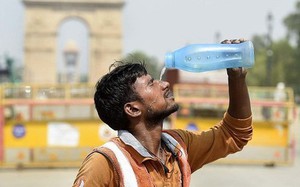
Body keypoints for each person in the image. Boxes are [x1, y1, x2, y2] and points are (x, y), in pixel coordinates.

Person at [72, 39, 253, 187]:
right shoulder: (105, 164)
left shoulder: (179, 147)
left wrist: (236, 78)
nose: (165, 84)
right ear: (133, 109)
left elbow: (234, 134)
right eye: (151, 84)